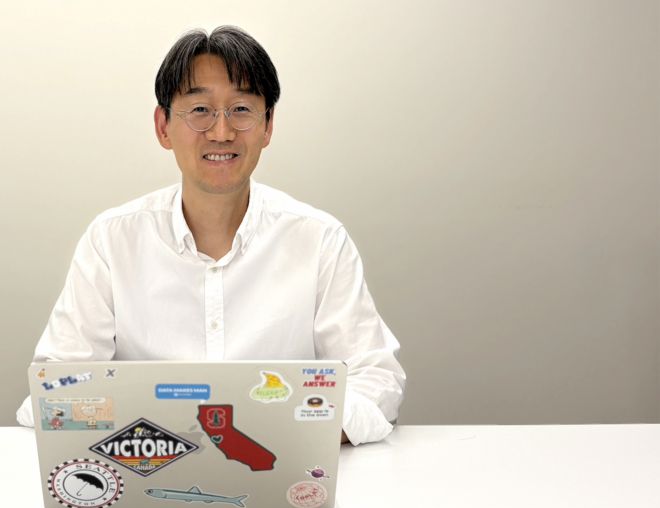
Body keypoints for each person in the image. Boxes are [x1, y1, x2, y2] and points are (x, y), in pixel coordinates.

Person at [16, 26, 405, 445]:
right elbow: (54, 389)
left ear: (268, 126)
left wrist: (298, 429)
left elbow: (376, 380)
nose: (222, 132)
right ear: (163, 126)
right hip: (146, 469)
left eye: (241, 109)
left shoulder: (319, 240)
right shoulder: (111, 242)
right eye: (200, 109)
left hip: (285, 473)